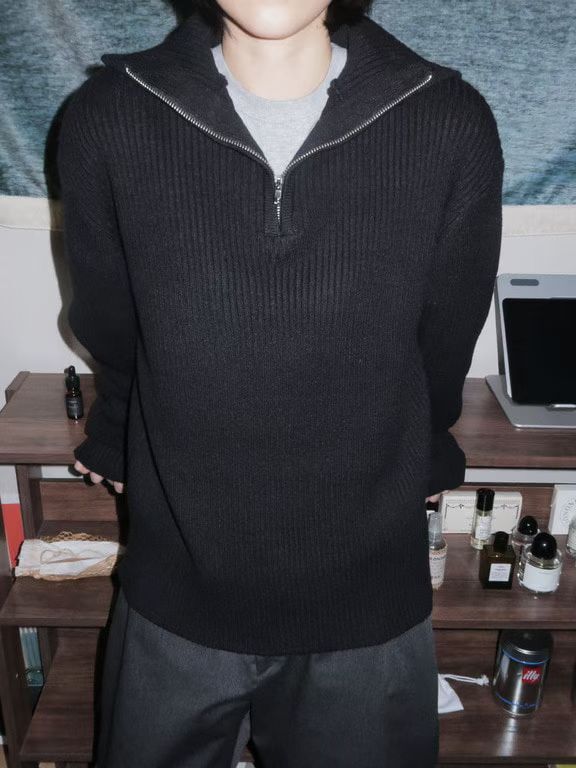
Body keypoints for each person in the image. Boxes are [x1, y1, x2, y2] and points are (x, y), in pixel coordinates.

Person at [57, 0, 504, 765]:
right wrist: (117, 431)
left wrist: (426, 450)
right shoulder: (108, 115)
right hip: (176, 588)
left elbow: (444, 336)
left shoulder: (449, 121)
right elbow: (111, 316)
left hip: (366, 600)